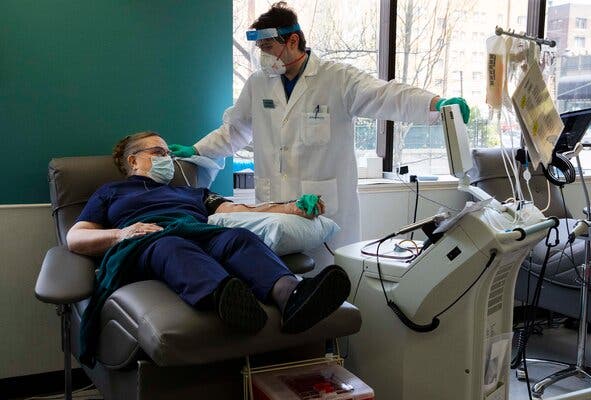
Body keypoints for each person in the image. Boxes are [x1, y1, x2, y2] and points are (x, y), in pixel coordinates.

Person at [169, 2, 470, 267]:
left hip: (325, 213)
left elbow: (385, 95)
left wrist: (436, 105)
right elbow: (234, 131)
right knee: (282, 284)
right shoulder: (259, 83)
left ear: (293, 41)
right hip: (275, 208)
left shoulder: (336, 79)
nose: (263, 57)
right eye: (260, 50)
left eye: (269, 48)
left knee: (328, 286)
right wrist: (197, 150)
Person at [68, 131, 351, 365]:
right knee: (172, 245)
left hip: (198, 232)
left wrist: (293, 207)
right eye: (159, 153)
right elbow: (76, 237)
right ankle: (226, 299)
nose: (169, 159)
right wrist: (121, 233)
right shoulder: (111, 192)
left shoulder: (192, 192)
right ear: (133, 161)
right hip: (149, 240)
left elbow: (238, 209)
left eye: (169, 154)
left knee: (237, 237)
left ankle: (292, 297)